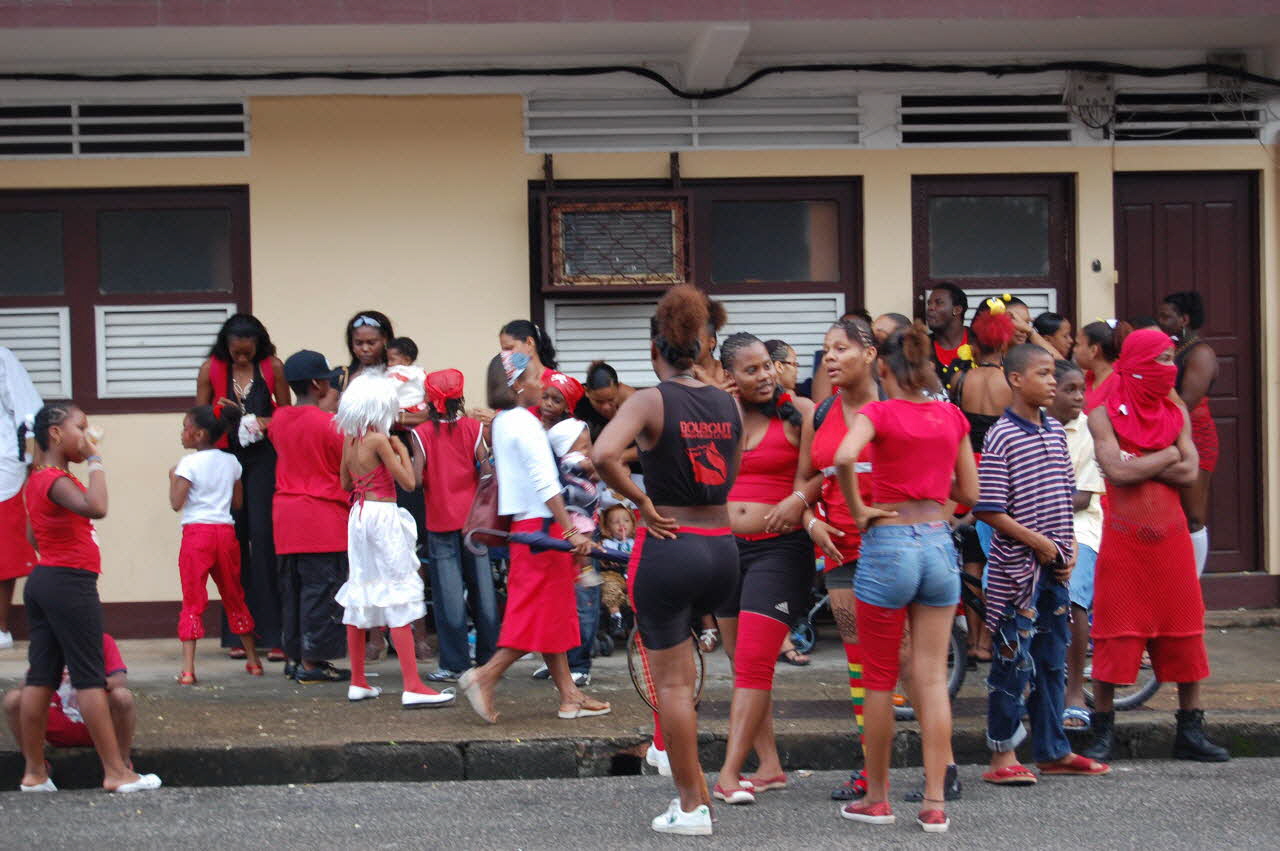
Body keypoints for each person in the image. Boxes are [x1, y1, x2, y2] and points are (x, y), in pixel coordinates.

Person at [593, 284, 743, 836]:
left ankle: (690, 807)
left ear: (657, 346)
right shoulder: (726, 400)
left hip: (671, 546)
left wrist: (640, 502)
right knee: (702, 678)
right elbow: (736, 464)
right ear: (703, 345)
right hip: (722, 547)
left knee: (674, 690)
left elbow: (604, 454)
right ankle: (699, 790)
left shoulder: (651, 399)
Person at [834, 324, 977, 834]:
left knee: (879, 679)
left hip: (888, 543)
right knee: (932, 678)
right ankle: (935, 803)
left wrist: (859, 509)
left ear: (884, 369)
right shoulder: (951, 416)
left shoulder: (878, 412)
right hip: (938, 542)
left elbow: (845, 456)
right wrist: (936, 491)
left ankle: (877, 798)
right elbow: (972, 492)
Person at [1084, 329, 1229, 763]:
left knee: (1185, 634)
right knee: (1114, 635)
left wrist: (1145, 459)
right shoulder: (1103, 411)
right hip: (1124, 541)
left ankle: (1190, 729)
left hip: (1172, 542)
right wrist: (1167, 455)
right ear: (1138, 361)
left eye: (1172, 359)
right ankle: (1102, 731)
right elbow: (1117, 471)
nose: (1169, 368)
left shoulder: (1176, 408)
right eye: (1161, 359)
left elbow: (1191, 472)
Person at [973, 344, 1109, 785]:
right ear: (1016, 380)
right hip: (1016, 573)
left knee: (1052, 660)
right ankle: (1002, 757)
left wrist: (1065, 552)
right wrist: (1039, 545)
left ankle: (1053, 750)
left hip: (1053, 569)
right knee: (1012, 661)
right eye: (1044, 374)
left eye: (1055, 374)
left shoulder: (1054, 431)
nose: (1053, 382)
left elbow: (1063, 502)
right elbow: (989, 509)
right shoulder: (1001, 435)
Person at [457, 352, 610, 724]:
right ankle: (485, 675)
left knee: (552, 612)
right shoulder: (524, 425)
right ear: (517, 384)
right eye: (536, 376)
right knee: (532, 615)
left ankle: (570, 696)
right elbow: (545, 482)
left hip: (527, 527)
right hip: (543, 527)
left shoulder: (506, 422)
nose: (543, 383)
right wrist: (571, 530)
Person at [17, 402, 160, 793]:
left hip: (44, 580)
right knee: (89, 678)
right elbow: (97, 507)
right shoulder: (55, 478)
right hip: (69, 583)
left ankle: (34, 774)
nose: (87, 433)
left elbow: (33, 536)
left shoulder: (37, 479)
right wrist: (96, 461)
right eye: (80, 427)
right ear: (56, 434)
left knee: (41, 677)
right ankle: (116, 772)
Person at [712, 332, 819, 806]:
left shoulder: (802, 413)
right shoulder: (723, 416)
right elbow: (715, 475)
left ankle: (729, 775)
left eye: (768, 366)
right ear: (729, 377)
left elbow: (821, 473)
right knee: (744, 668)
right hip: (726, 552)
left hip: (780, 553)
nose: (765, 375)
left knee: (754, 663)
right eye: (751, 369)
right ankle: (770, 766)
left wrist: (797, 500)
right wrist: (729, 412)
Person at [792, 317, 878, 802]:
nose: (829, 357)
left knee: (907, 663)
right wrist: (810, 522)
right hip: (840, 553)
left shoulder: (896, 409)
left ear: (869, 354)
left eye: (841, 348)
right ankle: (869, 768)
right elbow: (805, 483)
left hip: (891, 552)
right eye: (826, 349)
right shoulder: (820, 413)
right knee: (859, 663)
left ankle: (940, 765)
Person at [335, 374, 453, 708]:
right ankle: (412, 684)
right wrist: (401, 450)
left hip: (357, 516)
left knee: (360, 588)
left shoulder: (351, 438)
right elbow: (408, 482)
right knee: (399, 588)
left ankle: (358, 681)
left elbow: (345, 482)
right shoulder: (379, 440)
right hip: (383, 515)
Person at [195, 313, 290, 662]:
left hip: (264, 459)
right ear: (226, 347)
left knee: (265, 540)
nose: (242, 359)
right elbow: (199, 418)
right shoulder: (210, 369)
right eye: (236, 353)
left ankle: (277, 633)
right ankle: (240, 632)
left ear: (258, 347)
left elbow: (286, 414)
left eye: (248, 353)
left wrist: (264, 420)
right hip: (224, 459)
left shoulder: (273, 367)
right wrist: (224, 417)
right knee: (233, 544)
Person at [412, 369, 499, 684]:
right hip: (474, 523)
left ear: (431, 401)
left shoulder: (421, 434)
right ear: (459, 398)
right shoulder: (474, 428)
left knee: (449, 596)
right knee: (484, 591)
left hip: (440, 523)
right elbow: (486, 470)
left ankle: (454, 663)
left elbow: (416, 478)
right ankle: (491, 660)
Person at [271, 351, 351, 684]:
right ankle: (313, 662)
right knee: (323, 590)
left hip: (286, 518)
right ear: (319, 384)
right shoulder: (332, 426)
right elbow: (344, 468)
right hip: (323, 517)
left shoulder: (278, 420)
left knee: (293, 591)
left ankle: (295, 656)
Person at [169, 405, 261, 684]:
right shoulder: (232, 462)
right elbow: (238, 503)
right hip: (225, 532)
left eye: (185, 428)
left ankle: (188, 670)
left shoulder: (187, 464)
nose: (182, 433)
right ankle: (253, 661)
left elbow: (176, 503)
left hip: (198, 534)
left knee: (193, 598)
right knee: (234, 594)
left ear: (198, 434)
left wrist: (172, 477)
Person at [949, 304, 1017, 663]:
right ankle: (990, 643)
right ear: (1004, 344)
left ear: (977, 345)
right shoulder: (1012, 382)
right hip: (998, 473)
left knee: (971, 563)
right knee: (997, 563)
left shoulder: (962, 381)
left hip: (966, 473)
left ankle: (973, 641)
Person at [1047, 360, 1106, 729]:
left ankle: (1073, 690)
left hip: (1078, 527)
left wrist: (1034, 499)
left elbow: (1082, 497)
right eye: (1070, 390)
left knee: (1073, 598)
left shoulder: (1088, 431)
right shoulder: (1027, 426)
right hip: (1031, 526)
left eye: (1081, 389)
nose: (1079, 397)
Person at [4, 633, 133, 773]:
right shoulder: (47, 642)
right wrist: (48, 676)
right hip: (55, 723)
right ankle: (36, 767)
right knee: (13, 699)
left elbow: (120, 681)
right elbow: (26, 685)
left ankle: (122, 764)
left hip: (99, 722)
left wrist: (88, 681)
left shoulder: (102, 640)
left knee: (122, 696)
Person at [1158, 291, 1219, 576]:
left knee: (1194, 515)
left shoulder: (1200, 353)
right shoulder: (1176, 349)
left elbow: (1187, 400)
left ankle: (1193, 583)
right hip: (1171, 435)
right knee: (1174, 514)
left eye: (1166, 316)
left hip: (1195, 436)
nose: (1161, 322)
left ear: (1184, 319)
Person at [0, 346, 41, 649]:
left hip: (2, 467)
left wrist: (30, 462)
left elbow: (28, 411)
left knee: (4, 552)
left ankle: (0, 629)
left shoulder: (2, 357)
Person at [499, 319, 558, 408]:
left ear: (529, 343)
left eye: (510, 348)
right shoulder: (507, 385)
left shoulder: (558, 382)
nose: (504, 355)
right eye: (503, 350)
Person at [1075, 319, 1129, 413]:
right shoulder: (1088, 376)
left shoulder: (1118, 383)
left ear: (1093, 350)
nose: (1074, 350)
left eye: (1077, 344)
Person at [598, 504, 635, 639]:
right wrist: (608, 559)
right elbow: (602, 558)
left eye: (626, 521)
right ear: (607, 528)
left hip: (633, 575)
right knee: (610, 586)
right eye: (615, 522)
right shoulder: (607, 544)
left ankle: (640, 624)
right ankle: (616, 618)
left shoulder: (635, 542)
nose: (622, 525)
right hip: (614, 574)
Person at [925, 282, 971, 389]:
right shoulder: (922, 347)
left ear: (957, 310)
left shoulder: (978, 342)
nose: (930, 308)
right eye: (929, 303)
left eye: (939, 303)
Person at [691, 296, 733, 391]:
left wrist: (705, 377)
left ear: (711, 343)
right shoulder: (683, 372)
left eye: (696, 340)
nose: (690, 346)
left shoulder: (727, 372)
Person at [386, 337, 430, 425]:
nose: (388, 363)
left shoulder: (400, 371)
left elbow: (390, 386)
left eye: (392, 359)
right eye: (386, 360)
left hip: (406, 407)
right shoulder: (419, 371)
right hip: (418, 407)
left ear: (406, 360)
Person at [345, 310, 395, 382]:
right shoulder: (342, 377)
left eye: (371, 343)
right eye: (358, 343)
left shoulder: (400, 374)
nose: (365, 349)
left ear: (385, 340)